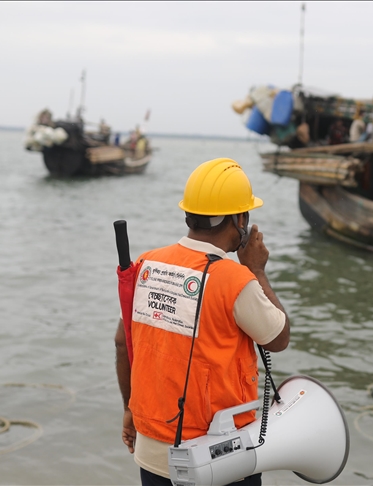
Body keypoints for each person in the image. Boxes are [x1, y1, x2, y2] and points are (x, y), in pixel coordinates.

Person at [115, 158, 290, 486]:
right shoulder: (235, 279)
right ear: (239, 219)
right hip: (219, 458)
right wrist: (257, 270)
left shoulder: (147, 264)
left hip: (153, 451)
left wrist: (129, 409)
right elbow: (278, 339)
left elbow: (124, 342)